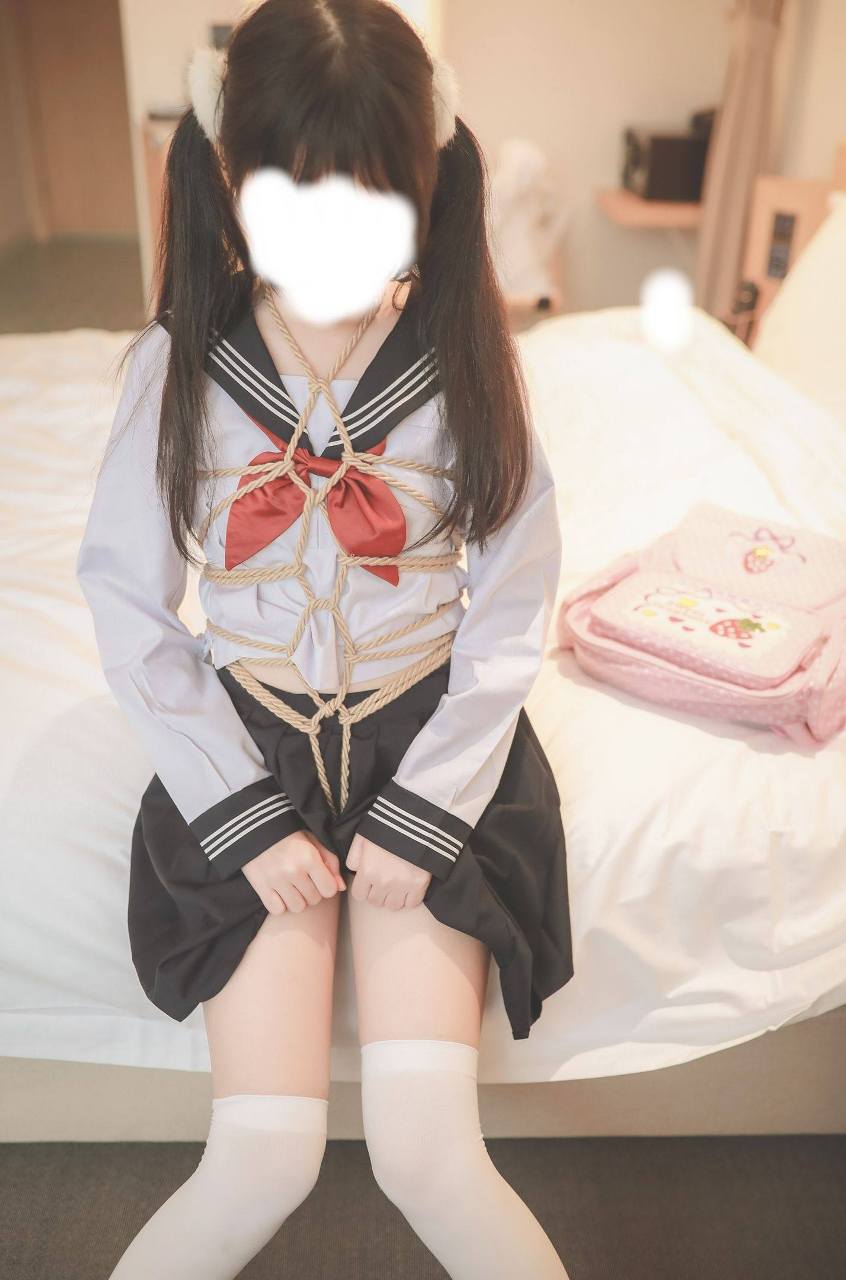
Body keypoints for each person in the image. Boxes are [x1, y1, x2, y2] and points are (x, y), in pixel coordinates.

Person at [75, 2, 573, 1276]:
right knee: (261, 1156)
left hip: (426, 739)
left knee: (428, 1152)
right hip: (254, 749)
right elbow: (130, 601)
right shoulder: (178, 367)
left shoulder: (466, 359)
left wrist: (430, 805)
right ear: (230, 175)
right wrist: (242, 817)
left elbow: (514, 598)